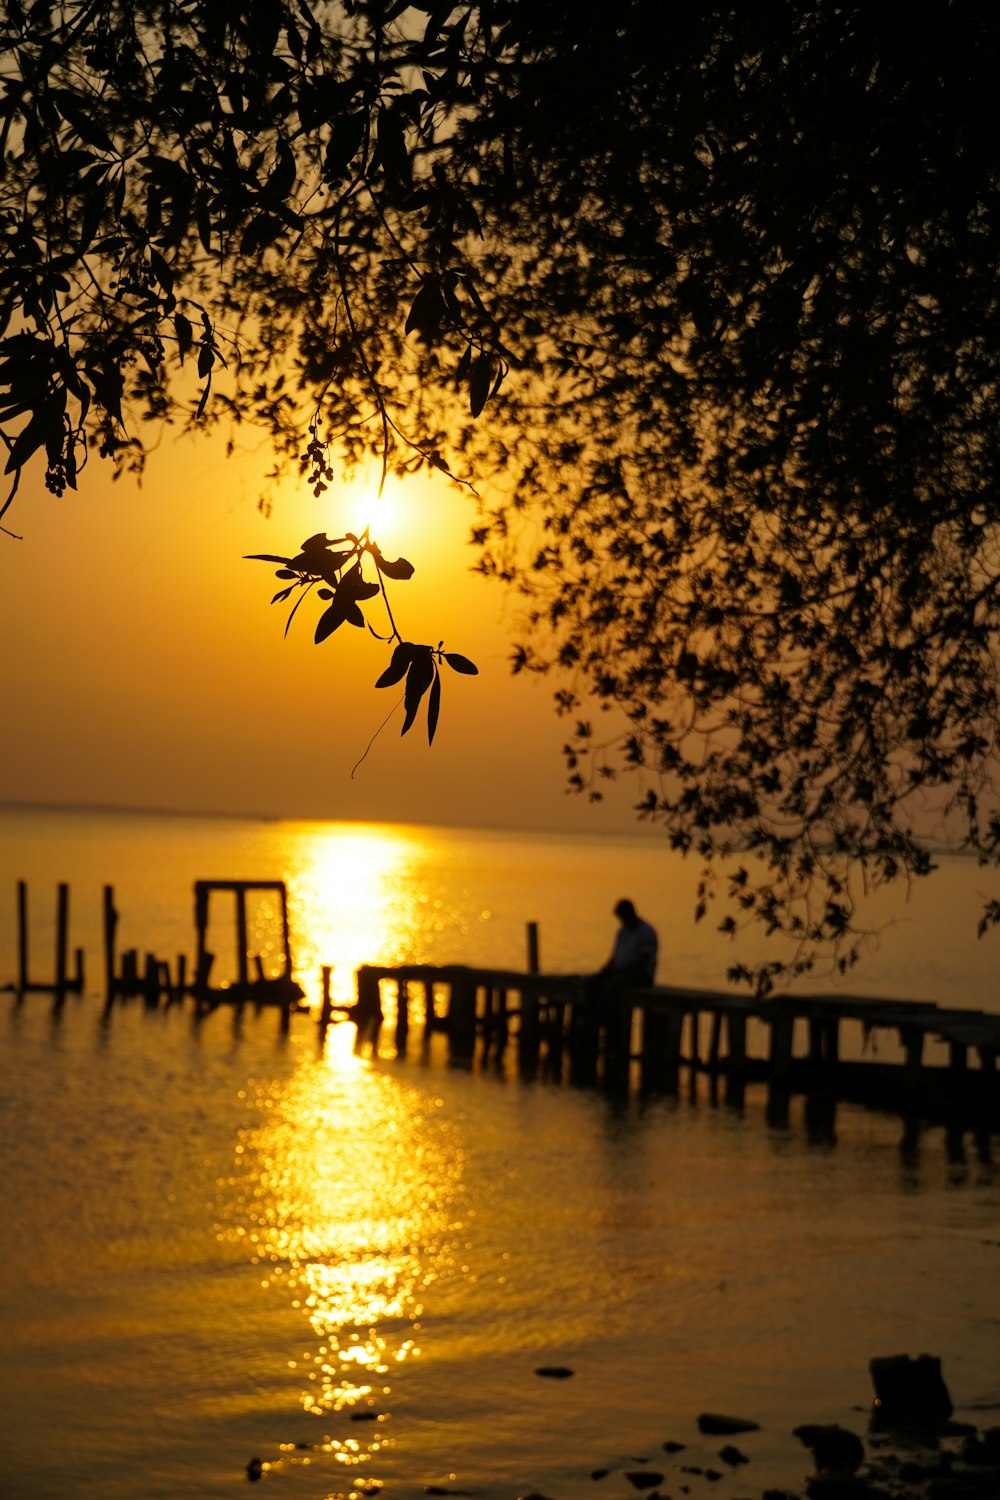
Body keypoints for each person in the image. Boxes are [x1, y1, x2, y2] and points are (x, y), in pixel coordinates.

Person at [584, 898, 658, 1026]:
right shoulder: (622, 931)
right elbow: (615, 955)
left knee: (611, 985)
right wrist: (606, 968)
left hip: (641, 975)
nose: (621, 921)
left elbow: (643, 962)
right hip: (619, 972)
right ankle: (589, 1017)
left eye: (622, 917)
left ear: (630, 914)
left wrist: (619, 970)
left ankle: (602, 1019)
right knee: (592, 981)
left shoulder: (646, 932)